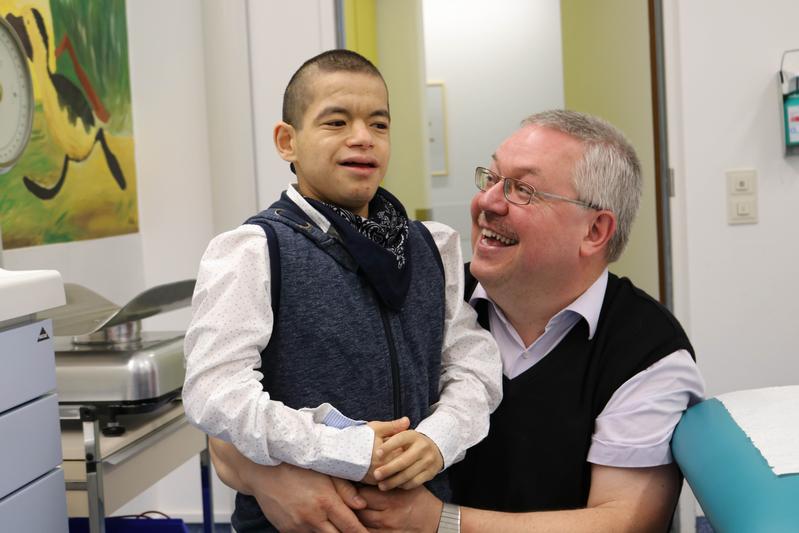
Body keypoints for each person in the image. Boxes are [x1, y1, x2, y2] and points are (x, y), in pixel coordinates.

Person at [208, 109, 705, 533]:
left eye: (523, 190)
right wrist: (272, 481)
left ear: (595, 230)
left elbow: (623, 521)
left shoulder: (647, 351)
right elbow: (223, 425)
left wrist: (441, 522)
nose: (487, 202)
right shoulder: (423, 292)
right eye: (490, 179)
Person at [182, 49, 502, 533]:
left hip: (416, 517)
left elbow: (472, 363)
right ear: (287, 141)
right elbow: (216, 393)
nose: (362, 138)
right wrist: (345, 448)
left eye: (379, 124)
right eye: (336, 122)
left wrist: (440, 438)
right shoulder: (253, 250)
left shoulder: (431, 246)